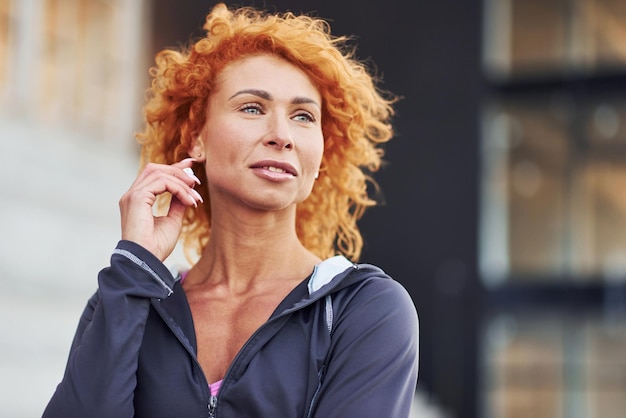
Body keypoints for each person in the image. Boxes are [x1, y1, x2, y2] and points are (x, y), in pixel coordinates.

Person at [43, 3, 418, 417]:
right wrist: (136, 267)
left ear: (321, 158)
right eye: (253, 108)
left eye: (303, 116)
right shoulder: (127, 300)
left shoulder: (364, 309)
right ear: (196, 138)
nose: (282, 135)